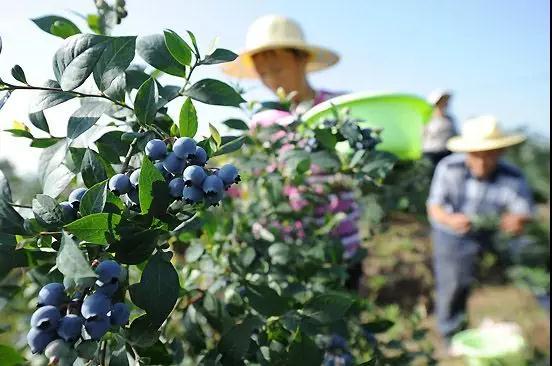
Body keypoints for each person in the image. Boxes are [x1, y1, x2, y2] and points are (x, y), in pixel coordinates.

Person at [223, 15, 363, 290]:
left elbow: (363, 160)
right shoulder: (261, 125)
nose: (271, 80)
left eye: (277, 68)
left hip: (338, 246)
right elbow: (248, 181)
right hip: (282, 249)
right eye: (263, 74)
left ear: (301, 59)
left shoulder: (339, 109)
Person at [427, 115, 534, 351]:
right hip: (451, 233)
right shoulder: (449, 167)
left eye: (491, 154)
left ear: (502, 151)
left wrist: (517, 220)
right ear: (468, 152)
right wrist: (450, 219)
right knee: (453, 283)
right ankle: (451, 337)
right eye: (478, 154)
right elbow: (434, 207)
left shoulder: (512, 175)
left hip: (492, 232)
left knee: (534, 265)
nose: (484, 161)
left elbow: (524, 211)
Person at [423, 89, 457, 168]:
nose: (445, 103)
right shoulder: (427, 119)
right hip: (430, 154)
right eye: (442, 100)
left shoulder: (450, 119)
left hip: (447, 154)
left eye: (446, 100)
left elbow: (454, 135)